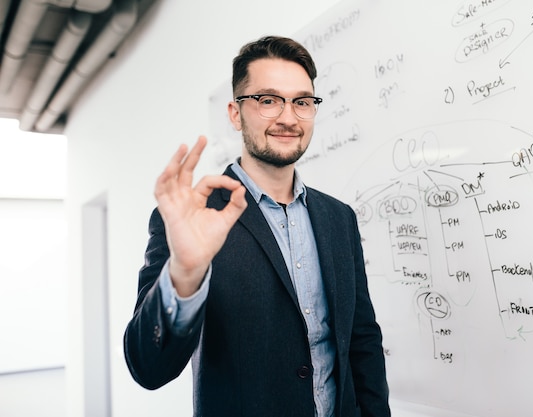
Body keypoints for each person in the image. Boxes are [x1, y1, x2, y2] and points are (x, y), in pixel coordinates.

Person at [123, 35, 390, 417]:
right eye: (268, 100)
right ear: (235, 114)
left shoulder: (339, 218)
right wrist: (184, 272)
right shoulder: (194, 218)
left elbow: (362, 340)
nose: (287, 117)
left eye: (302, 102)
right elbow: (148, 368)